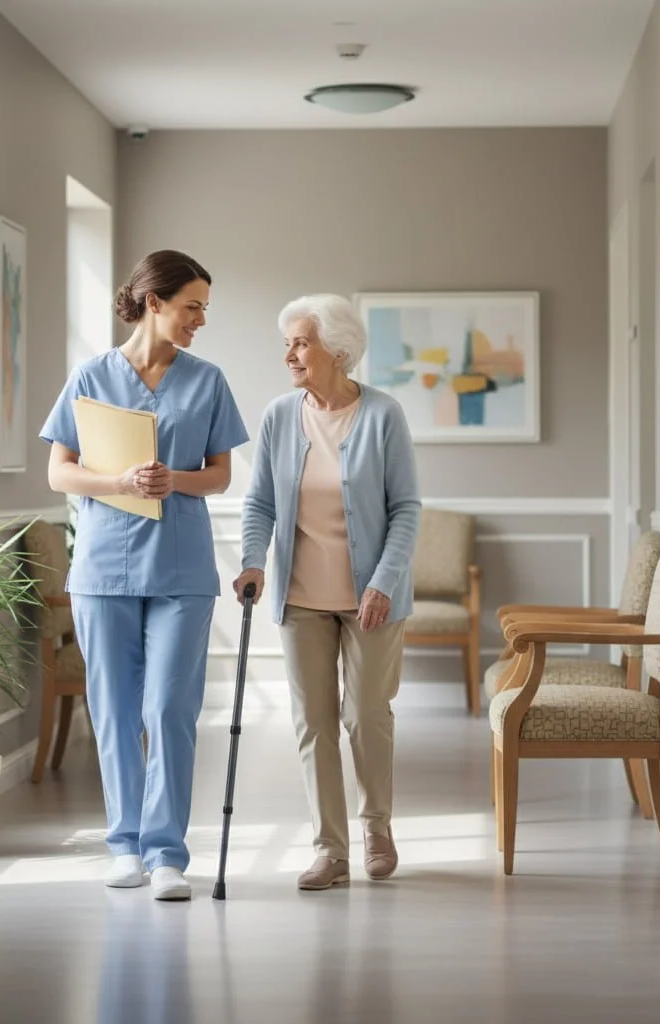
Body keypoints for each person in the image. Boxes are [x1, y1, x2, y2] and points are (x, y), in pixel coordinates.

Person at [41, 250, 249, 901]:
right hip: (103, 569)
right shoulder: (91, 375)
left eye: (204, 310)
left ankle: (166, 855)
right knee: (114, 710)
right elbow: (59, 470)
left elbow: (220, 474)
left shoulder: (208, 380)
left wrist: (173, 480)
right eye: (192, 307)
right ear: (154, 302)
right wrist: (116, 482)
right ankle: (123, 845)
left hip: (183, 569)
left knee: (169, 708)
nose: (200, 321)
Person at [233, 294, 420, 891]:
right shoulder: (279, 416)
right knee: (312, 723)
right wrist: (251, 562)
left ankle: (377, 827)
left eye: (301, 342)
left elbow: (406, 510)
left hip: (373, 599)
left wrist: (384, 582)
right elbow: (260, 501)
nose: (289, 353)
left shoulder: (384, 415)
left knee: (365, 716)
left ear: (337, 351)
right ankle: (329, 849)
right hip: (301, 598)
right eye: (287, 343)